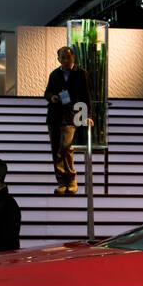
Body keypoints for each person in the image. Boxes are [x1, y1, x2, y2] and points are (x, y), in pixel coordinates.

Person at [43, 45, 91, 196]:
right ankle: (61, 182)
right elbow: (47, 92)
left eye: (67, 57)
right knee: (56, 150)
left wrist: (87, 114)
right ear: (58, 59)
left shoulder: (81, 73)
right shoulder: (54, 74)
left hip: (71, 115)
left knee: (66, 147)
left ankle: (72, 180)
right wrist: (52, 97)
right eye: (62, 57)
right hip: (55, 115)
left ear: (73, 57)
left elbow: (86, 95)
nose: (65, 60)